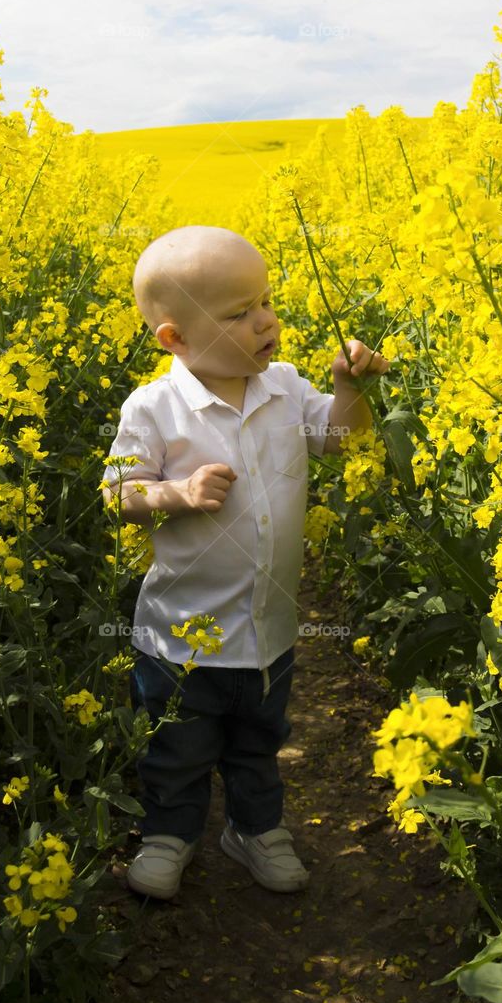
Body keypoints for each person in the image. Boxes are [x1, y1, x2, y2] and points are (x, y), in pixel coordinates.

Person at [100, 225, 389, 900]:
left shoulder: (285, 387)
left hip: (268, 632)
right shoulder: (154, 406)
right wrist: (175, 493)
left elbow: (338, 439)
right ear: (174, 339)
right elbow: (117, 489)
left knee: (259, 745)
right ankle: (169, 835)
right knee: (176, 751)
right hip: (179, 636)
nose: (266, 321)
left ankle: (254, 830)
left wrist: (350, 387)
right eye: (238, 313)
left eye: (264, 301)